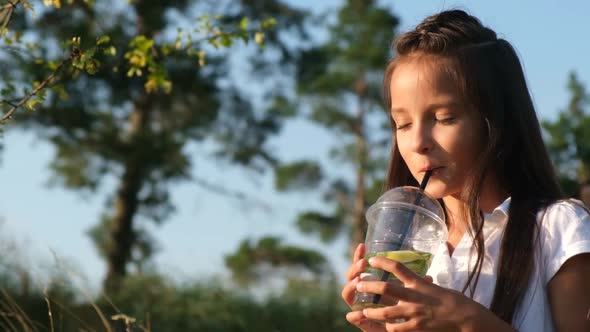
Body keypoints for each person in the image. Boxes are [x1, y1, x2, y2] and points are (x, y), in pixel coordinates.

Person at [341, 9, 590, 332]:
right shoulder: (412, 251)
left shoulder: (558, 229)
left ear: (496, 121)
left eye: (443, 118)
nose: (418, 142)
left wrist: (468, 322)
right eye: (402, 124)